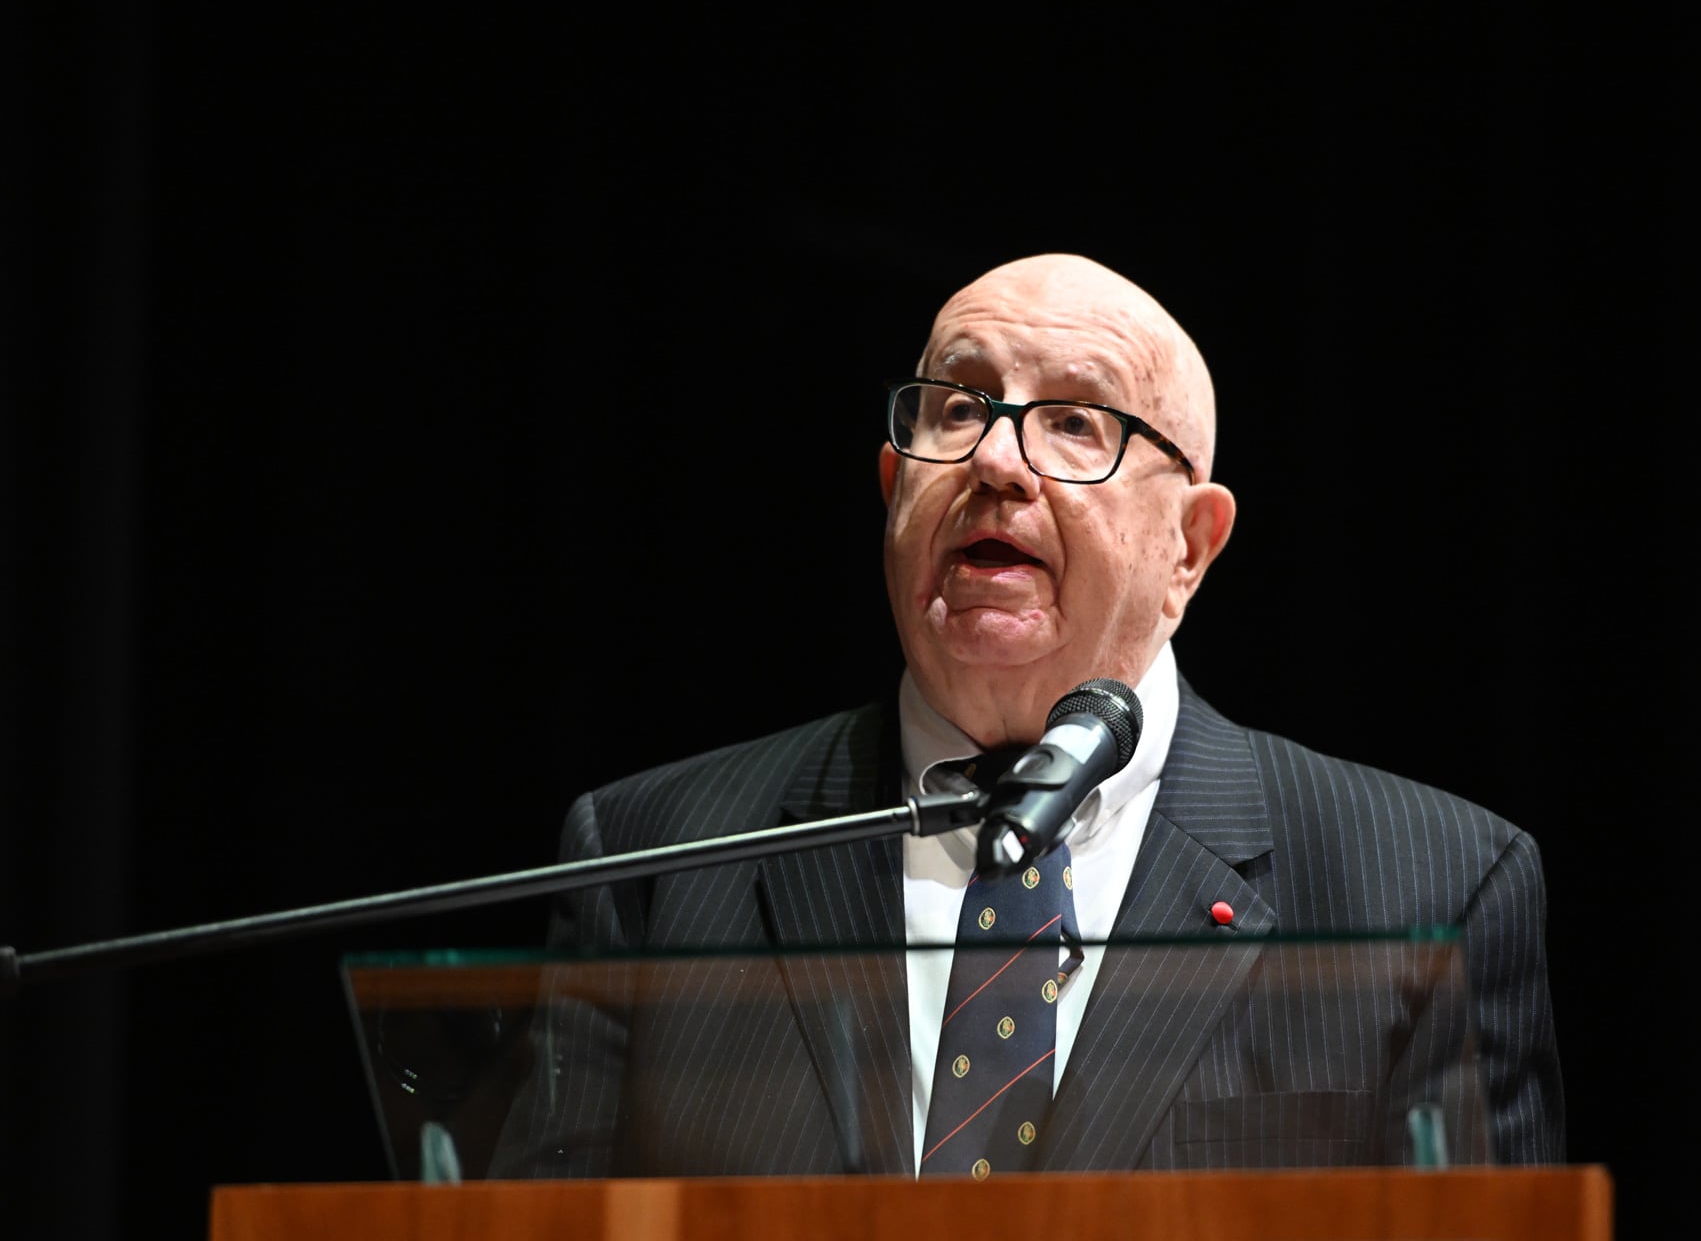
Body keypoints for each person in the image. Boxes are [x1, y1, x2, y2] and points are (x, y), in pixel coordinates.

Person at [489, 254, 1564, 1179]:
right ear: (892, 484)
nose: (995, 461)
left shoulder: (1429, 883)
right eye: (957, 408)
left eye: (1075, 422)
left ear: (1189, 545)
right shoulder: (653, 857)